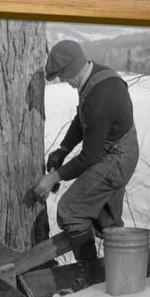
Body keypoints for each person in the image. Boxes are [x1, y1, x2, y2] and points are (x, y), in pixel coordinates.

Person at [34, 40, 139, 265]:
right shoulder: (95, 77)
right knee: (106, 221)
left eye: (63, 77)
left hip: (117, 158)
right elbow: (83, 119)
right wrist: (63, 149)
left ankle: (90, 275)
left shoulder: (101, 97)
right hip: (117, 151)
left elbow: (90, 156)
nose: (64, 82)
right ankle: (119, 275)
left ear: (70, 70)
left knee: (70, 210)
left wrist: (54, 176)